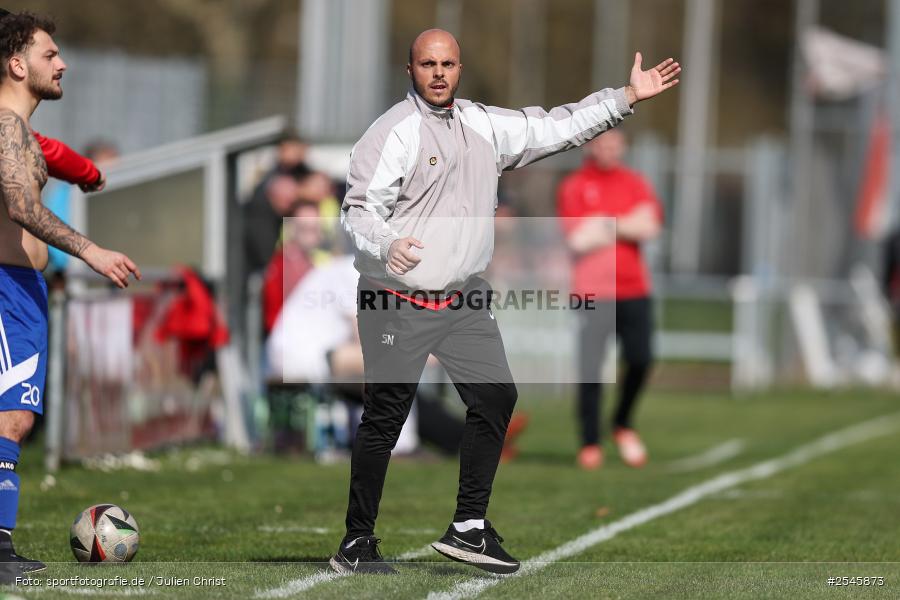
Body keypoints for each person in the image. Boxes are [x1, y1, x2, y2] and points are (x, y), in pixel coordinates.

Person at [332, 28, 679, 575]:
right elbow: (357, 209)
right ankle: (356, 542)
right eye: (428, 64)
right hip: (396, 296)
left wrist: (625, 98)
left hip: (464, 297)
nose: (439, 73)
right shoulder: (392, 133)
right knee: (386, 419)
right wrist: (387, 243)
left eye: (448, 63)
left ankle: (468, 527)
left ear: (460, 67)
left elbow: (556, 127)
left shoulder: (483, 125)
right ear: (410, 71)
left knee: (496, 398)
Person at [0, 12, 140, 582]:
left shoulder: (22, 132)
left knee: (14, 423)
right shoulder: (7, 125)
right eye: (49, 54)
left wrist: (83, 169)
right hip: (7, 288)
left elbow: (45, 152)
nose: (62, 64)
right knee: (10, 421)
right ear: (17, 64)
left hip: (23, 290)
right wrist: (91, 251)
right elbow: (21, 207)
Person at [557, 129, 663, 470]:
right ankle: (589, 442)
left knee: (642, 358)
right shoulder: (574, 185)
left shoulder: (635, 182)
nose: (609, 149)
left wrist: (603, 223)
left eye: (615, 144)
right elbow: (577, 240)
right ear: (591, 145)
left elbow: (650, 227)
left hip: (634, 289)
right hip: (592, 291)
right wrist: (625, 222)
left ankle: (622, 423)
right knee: (590, 370)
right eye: (602, 143)